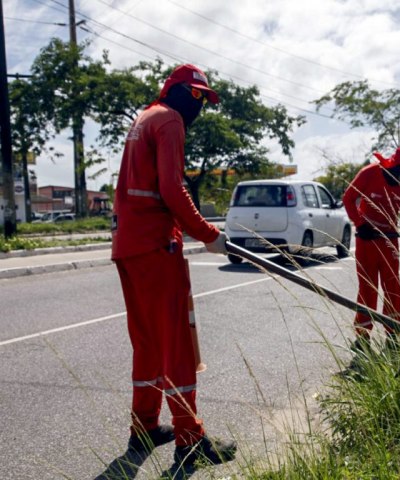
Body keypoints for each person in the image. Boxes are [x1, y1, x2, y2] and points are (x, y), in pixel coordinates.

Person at [111, 64, 236, 468]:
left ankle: (144, 428)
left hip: (129, 246)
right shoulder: (169, 121)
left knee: (148, 344)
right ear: (178, 91)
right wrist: (207, 233)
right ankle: (190, 440)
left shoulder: (144, 118)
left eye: (204, 99)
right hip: (155, 246)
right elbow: (172, 187)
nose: (198, 105)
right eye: (196, 95)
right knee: (176, 344)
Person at [342, 146, 400, 365]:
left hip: (389, 239)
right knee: (368, 288)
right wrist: (360, 223)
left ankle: (392, 336)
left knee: (393, 287)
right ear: (393, 165)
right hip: (367, 240)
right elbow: (348, 199)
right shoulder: (369, 173)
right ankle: (362, 339)